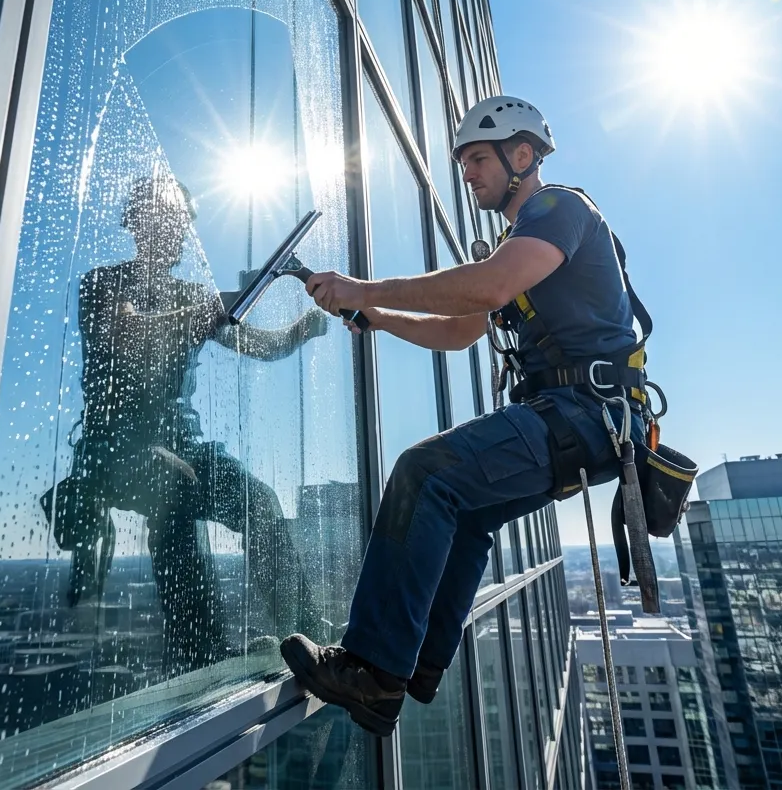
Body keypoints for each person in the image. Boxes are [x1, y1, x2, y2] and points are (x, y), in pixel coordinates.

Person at [280, 96, 653, 737]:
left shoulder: (558, 209)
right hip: (573, 420)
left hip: (586, 415)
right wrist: (370, 315)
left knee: (426, 473)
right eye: (464, 162)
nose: (468, 173)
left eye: (478, 158)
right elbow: (462, 330)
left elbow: (484, 288)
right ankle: (416, 662)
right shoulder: (519, 243)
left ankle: (374, 671)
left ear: (524, 156)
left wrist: (364, 288)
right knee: (466, 513)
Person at [43, 173, 328, 673]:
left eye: (177, 223)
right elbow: (125, 329)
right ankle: (199, 651)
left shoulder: (191, 297)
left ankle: (306, 633)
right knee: (171, 486)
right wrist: (191, 315)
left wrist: (303, 330)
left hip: (183, 444)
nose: (170, 232)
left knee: (256, 499)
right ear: (137, 225)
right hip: (114, 448)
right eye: (159, 220)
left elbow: (254, 344)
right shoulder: (101, 283)